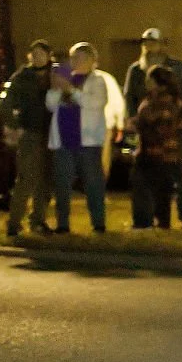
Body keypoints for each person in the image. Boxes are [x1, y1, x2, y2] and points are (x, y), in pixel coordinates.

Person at [122, 28, 182, 229]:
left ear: (162, 44)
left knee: (181, 174)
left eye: (153, 42)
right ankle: (156, 219)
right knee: (150, 176)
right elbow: (129, 98)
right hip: (146, 133)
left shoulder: (177, 68)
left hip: (174, 132)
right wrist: (133, 124)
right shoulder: (136, 70)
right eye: (145, 42)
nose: (149, 47)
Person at [43, 42, 124, 233]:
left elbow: (94, 103)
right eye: (72, 57)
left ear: (90, 60)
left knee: (93, 183)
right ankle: (62, 224)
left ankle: (98, 223)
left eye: (77, 57)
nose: (73, 62)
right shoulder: (64, 78)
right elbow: (50, 104)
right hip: (63, 140)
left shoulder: (98, 80)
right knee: (62, 185)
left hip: (87, 142)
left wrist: (70, 90)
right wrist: (56, 89)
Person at [0, 41, 55, 236]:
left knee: (46, 180)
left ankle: (38, 220)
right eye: (34, 54)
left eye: (42, 53)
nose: (38, 57)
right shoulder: (22, 77)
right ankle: (14, 223)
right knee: (26, 179)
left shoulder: (56, 75)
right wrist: (15, 126)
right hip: (30, 133)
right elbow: (5, 104)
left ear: (49, 55)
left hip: (52, 134)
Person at [129, 66, 182, 229]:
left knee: (149, 188)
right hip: (156, 152)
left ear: (159, 83)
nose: (146, 82)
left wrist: (135, 123)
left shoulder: (165, 102)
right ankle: (158, 223)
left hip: (157, 152)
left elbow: (159, 125)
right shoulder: (154, 99)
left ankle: (145, 223)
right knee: (159, 190)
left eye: (150, 79)